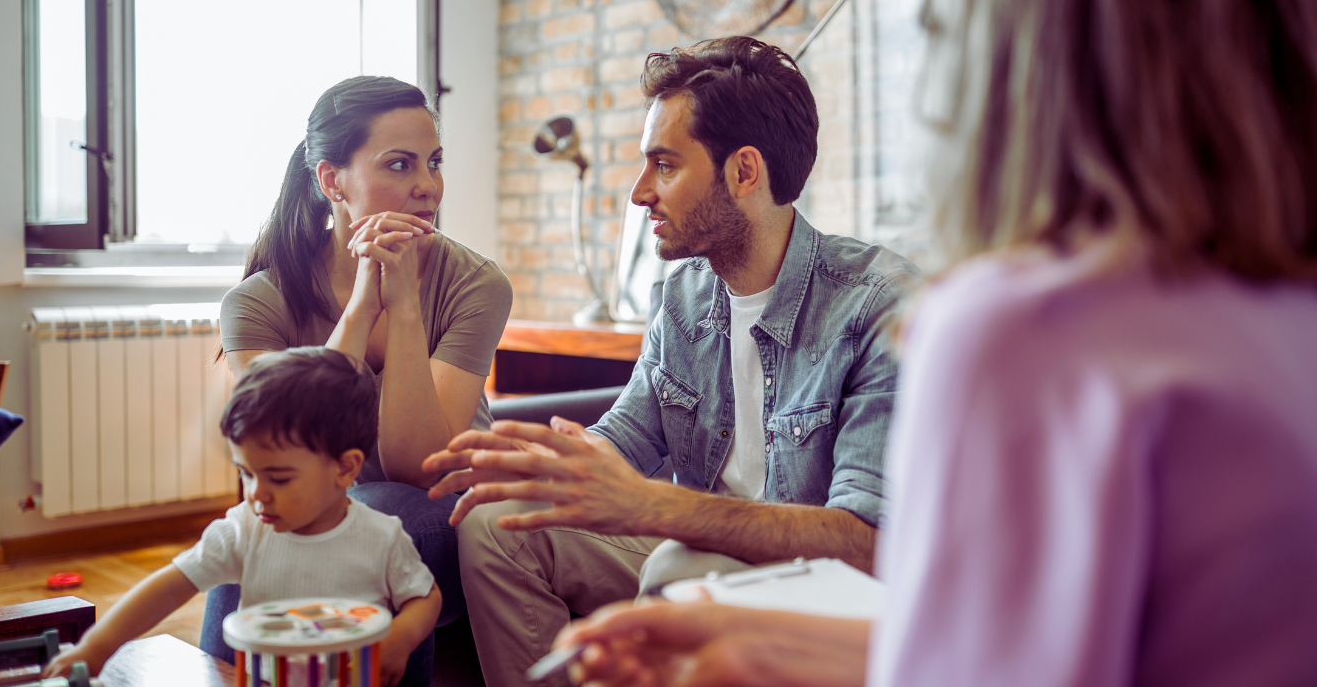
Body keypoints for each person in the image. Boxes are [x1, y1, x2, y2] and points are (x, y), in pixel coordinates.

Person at [552, 0, 1317, 684]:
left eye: (942, 29)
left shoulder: (1006, 328)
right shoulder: (1291, 319)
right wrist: (754, 641)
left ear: (1007, 59)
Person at [422, 36, 919, 687]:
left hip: (826, 592)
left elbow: (869, 544)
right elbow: (624, 437)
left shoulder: (877, 307)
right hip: (697, 547)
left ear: (744, 172)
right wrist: (537, 466)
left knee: (675, 566)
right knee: (499, 525)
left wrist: (656, 509)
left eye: (663, 165)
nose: (637, 193)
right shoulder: (683, 296)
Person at [202, 76, 513, 675]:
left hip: (443, 515)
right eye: (399, 164)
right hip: (312, 511)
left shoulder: (476, 284)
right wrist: (362, 305)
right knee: (257, 534)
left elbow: (419, 467)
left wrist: (405, 309)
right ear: (330, 181)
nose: (428, 187)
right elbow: (291, 442)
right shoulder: (257, 304)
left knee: (378, 519)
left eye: (434, 162)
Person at [46, 347, 442, 687]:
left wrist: (402, 638)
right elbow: (168, 587)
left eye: (279, 477)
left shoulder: (381, 536)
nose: (256, 493)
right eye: (246, 473)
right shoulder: (244, 529)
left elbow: (425, 597)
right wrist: (96, 647)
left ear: (344, 468)